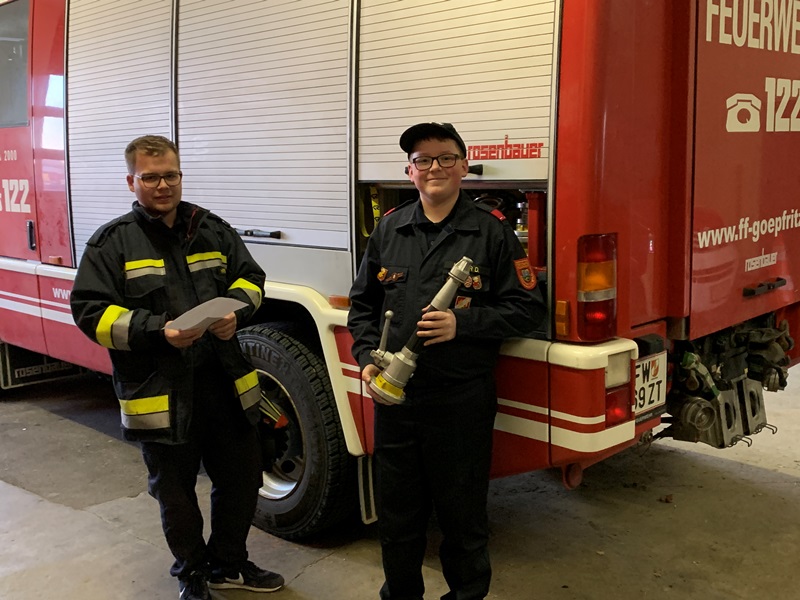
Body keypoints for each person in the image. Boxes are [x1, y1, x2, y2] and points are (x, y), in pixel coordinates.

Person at [70, 135, 284, 600]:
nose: (163, 185)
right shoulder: (112, 243)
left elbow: (251, 278)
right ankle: (192, 572)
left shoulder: (211, 228)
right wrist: (157, 331)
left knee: (242, 479)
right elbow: (90, 312)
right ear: (131, 181)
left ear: (180, 176)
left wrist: (236, 312)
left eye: (170, 175)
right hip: (160, 388)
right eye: (150, 177)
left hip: (225, 381)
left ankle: (229, 564)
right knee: (175, 492)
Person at [348, 122, 545, 600]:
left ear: (463, 166)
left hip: (461, 402)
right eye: (422, 160)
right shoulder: (390, 229)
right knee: (398, 516)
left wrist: (463, 324)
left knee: (463, 517)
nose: (434, 167)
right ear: (409, 171)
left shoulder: (491, 232)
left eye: (445, 158)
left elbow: (527, 308)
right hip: (396, 402)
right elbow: (363, 307)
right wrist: (368, 358)